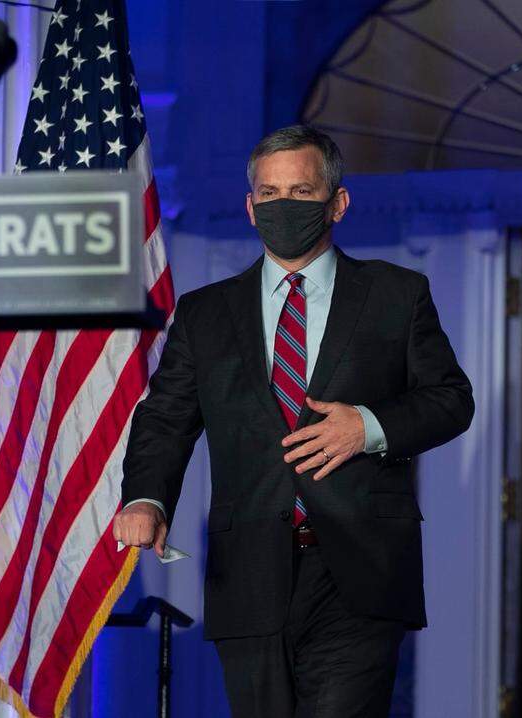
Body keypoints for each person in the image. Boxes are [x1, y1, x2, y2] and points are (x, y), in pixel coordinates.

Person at [113, 125, 474, 718]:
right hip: (248, 570)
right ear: (250, 206)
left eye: (301, 192)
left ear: (338, 203)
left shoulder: (397, 294)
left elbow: (451, 400)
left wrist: (367, 426)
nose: (284, 205)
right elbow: (166, 418)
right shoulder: (205, 313)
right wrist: (147, 498)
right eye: (270, 193)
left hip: (361, 570)